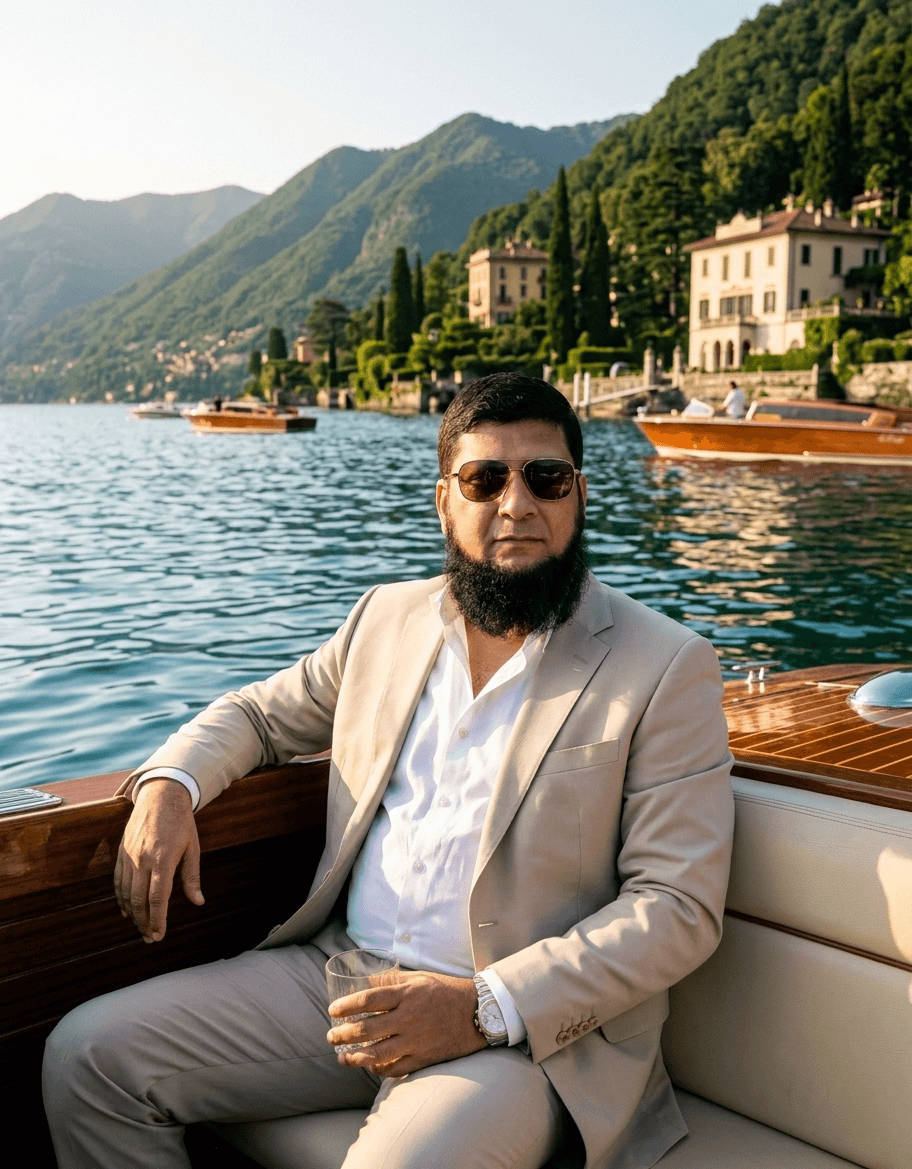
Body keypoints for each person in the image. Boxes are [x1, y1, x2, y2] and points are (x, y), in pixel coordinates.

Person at [43, 374, 734, 1169]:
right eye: (485, 479)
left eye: (545, 478)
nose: (517, 504)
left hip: (523, 1039)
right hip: (339, 977)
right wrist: (171, 785)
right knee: (88, 1056)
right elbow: (260, 716)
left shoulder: (663, 663)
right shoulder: (385, 619)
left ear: (578, 495)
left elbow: (676, 905)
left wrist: (480, 1007)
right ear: (445, 500)